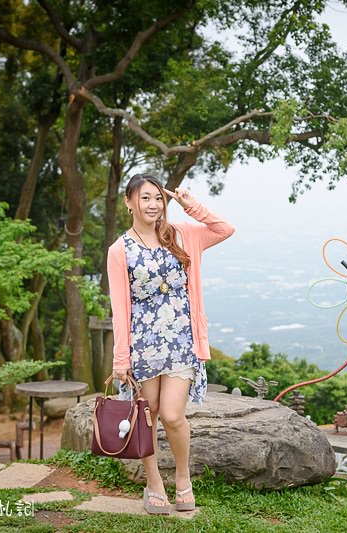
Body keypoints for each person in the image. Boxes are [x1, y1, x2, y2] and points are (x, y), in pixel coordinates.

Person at [108, 174, 234, 515]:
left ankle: (182, 478)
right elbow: (119, 310)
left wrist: (187, 201)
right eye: (145, 198)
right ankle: (153, 484)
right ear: (129, 202)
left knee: (173, 415)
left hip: (181, 341)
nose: (153, 205)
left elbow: (224, 228)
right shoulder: (120, 250)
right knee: (146, 417)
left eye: (157, 199)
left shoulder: (180, 233)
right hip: (143, 345)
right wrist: (121, 359)